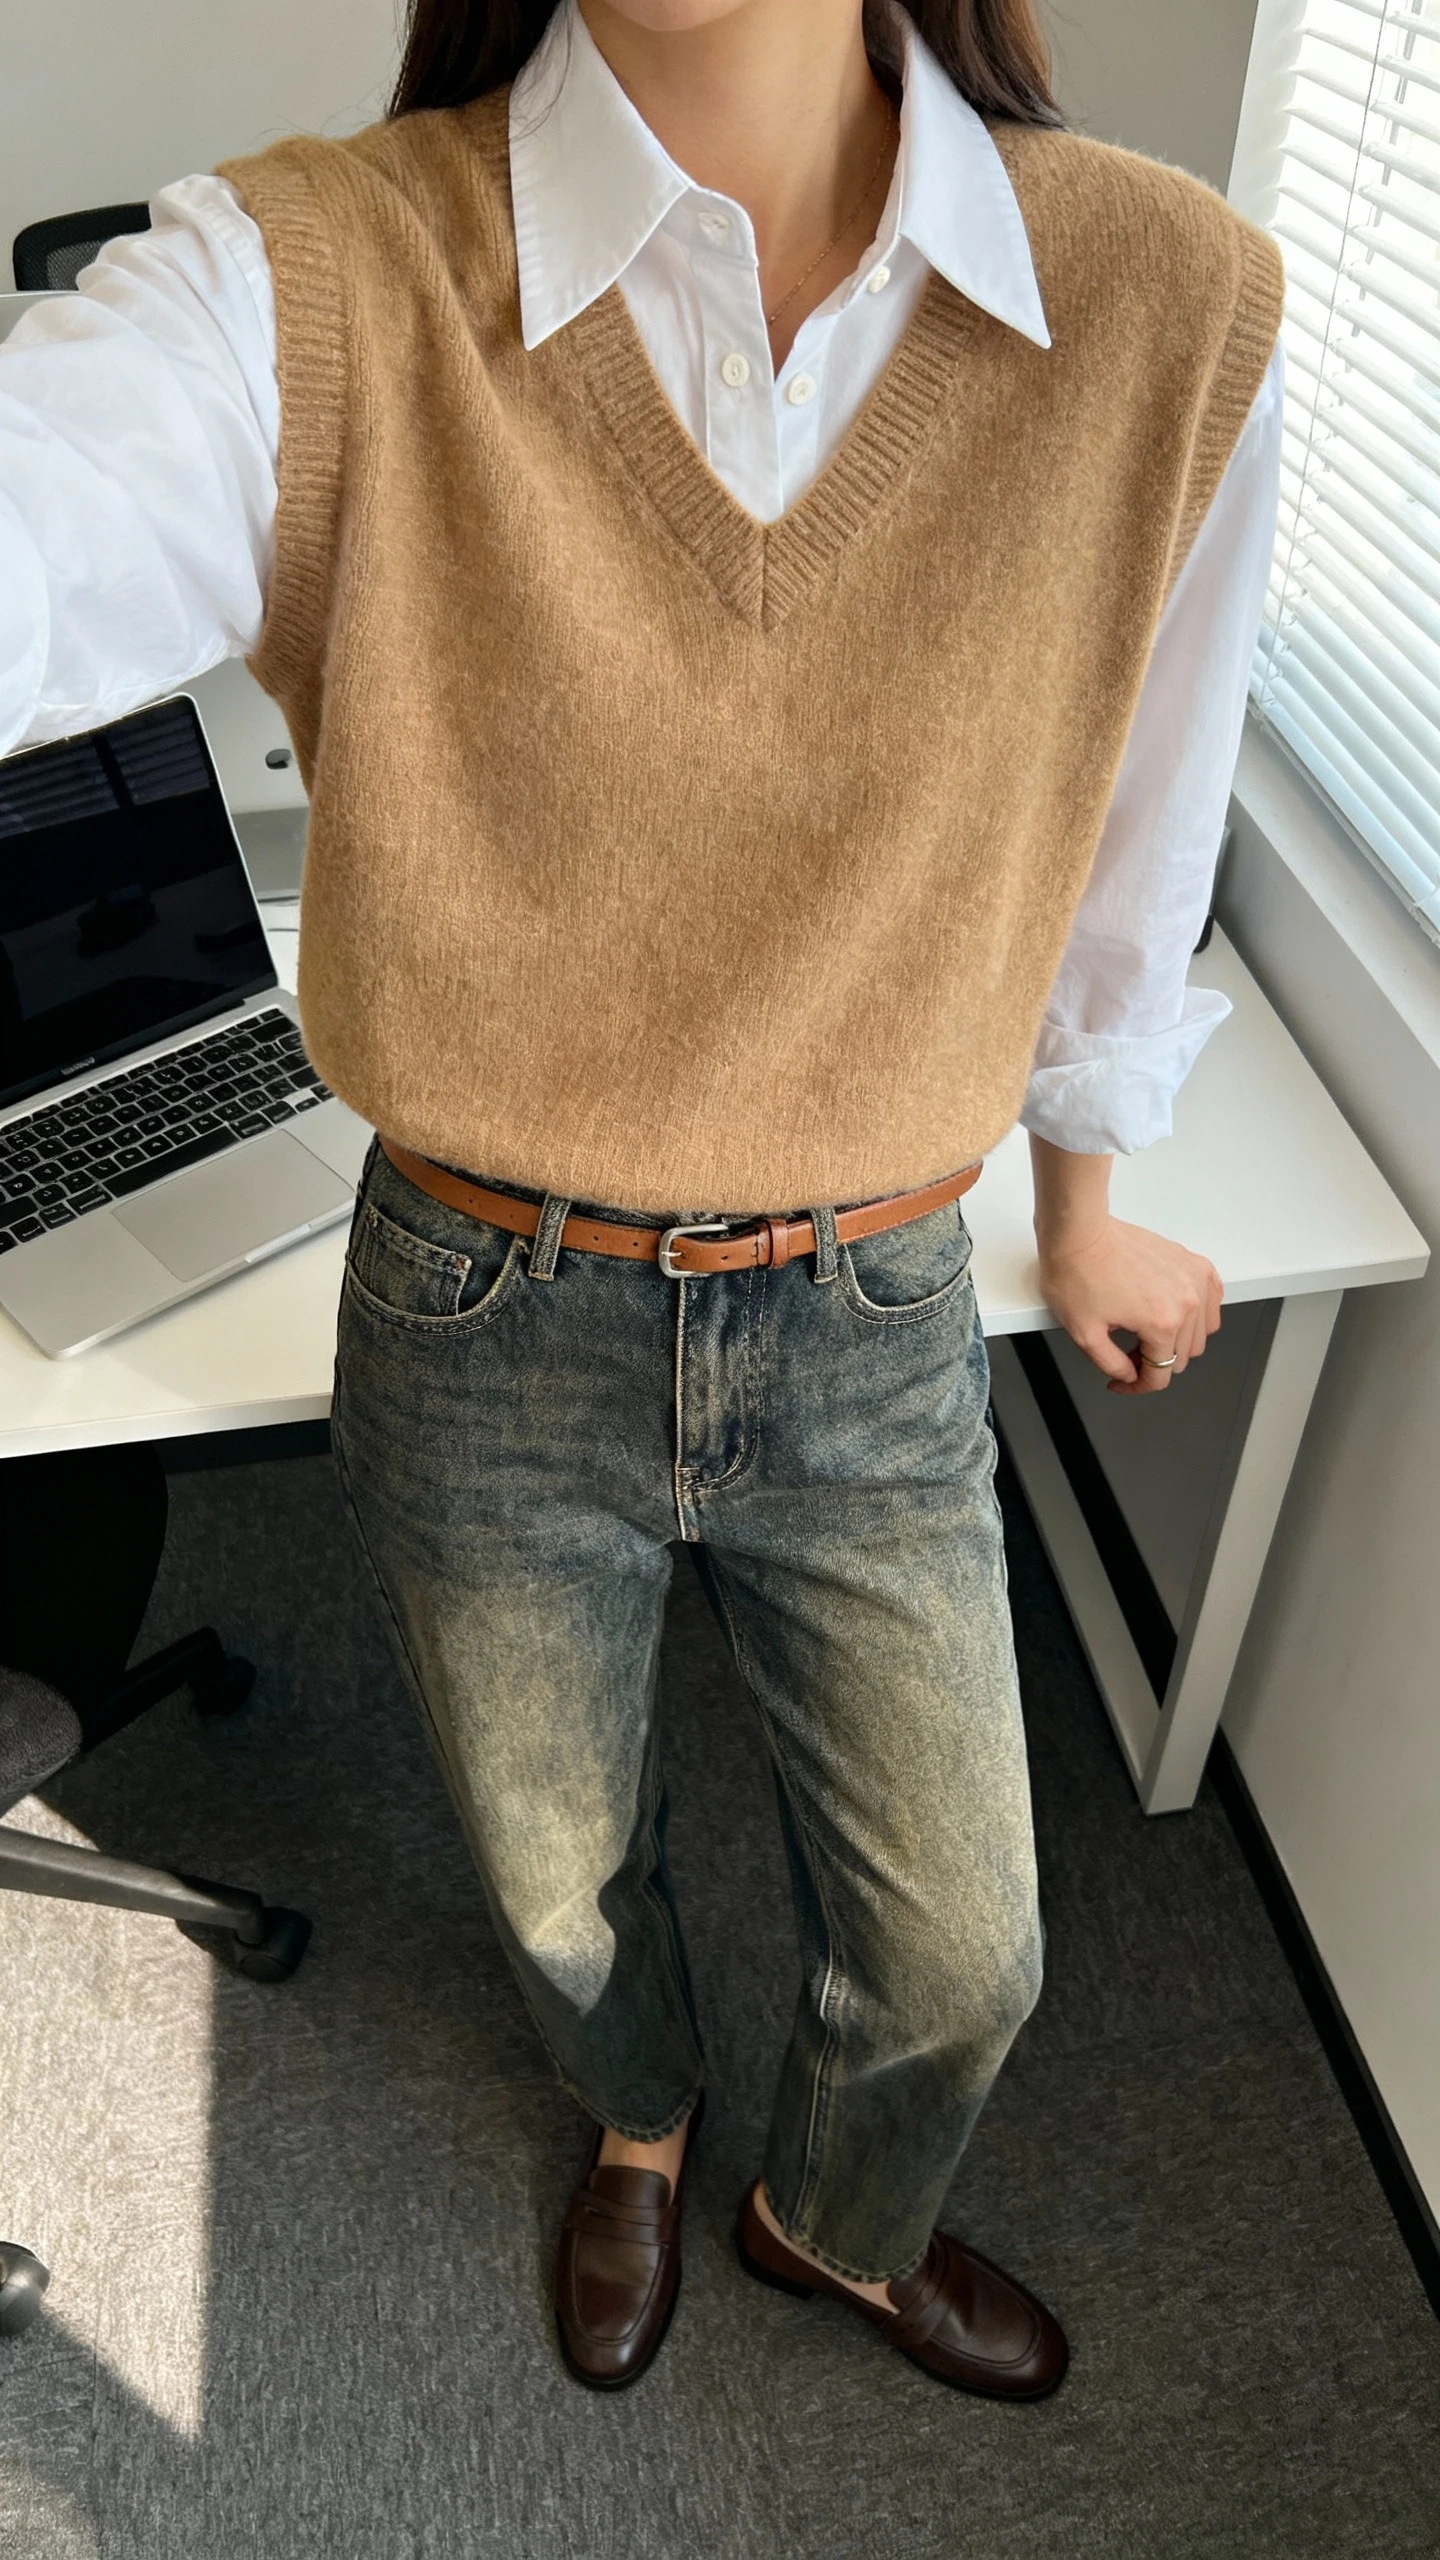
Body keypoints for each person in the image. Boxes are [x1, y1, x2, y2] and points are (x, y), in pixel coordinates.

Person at [0, 0, 1282, 2398]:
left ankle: (835, 2212)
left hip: (876, 1291)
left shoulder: (1164, 302)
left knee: (961, 1952)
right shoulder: (323, 277)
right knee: (558, 1876)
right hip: (483, 1301)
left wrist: (1086, 1193)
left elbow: (1141, 822)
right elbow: (47, 495)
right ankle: (645, 2126)